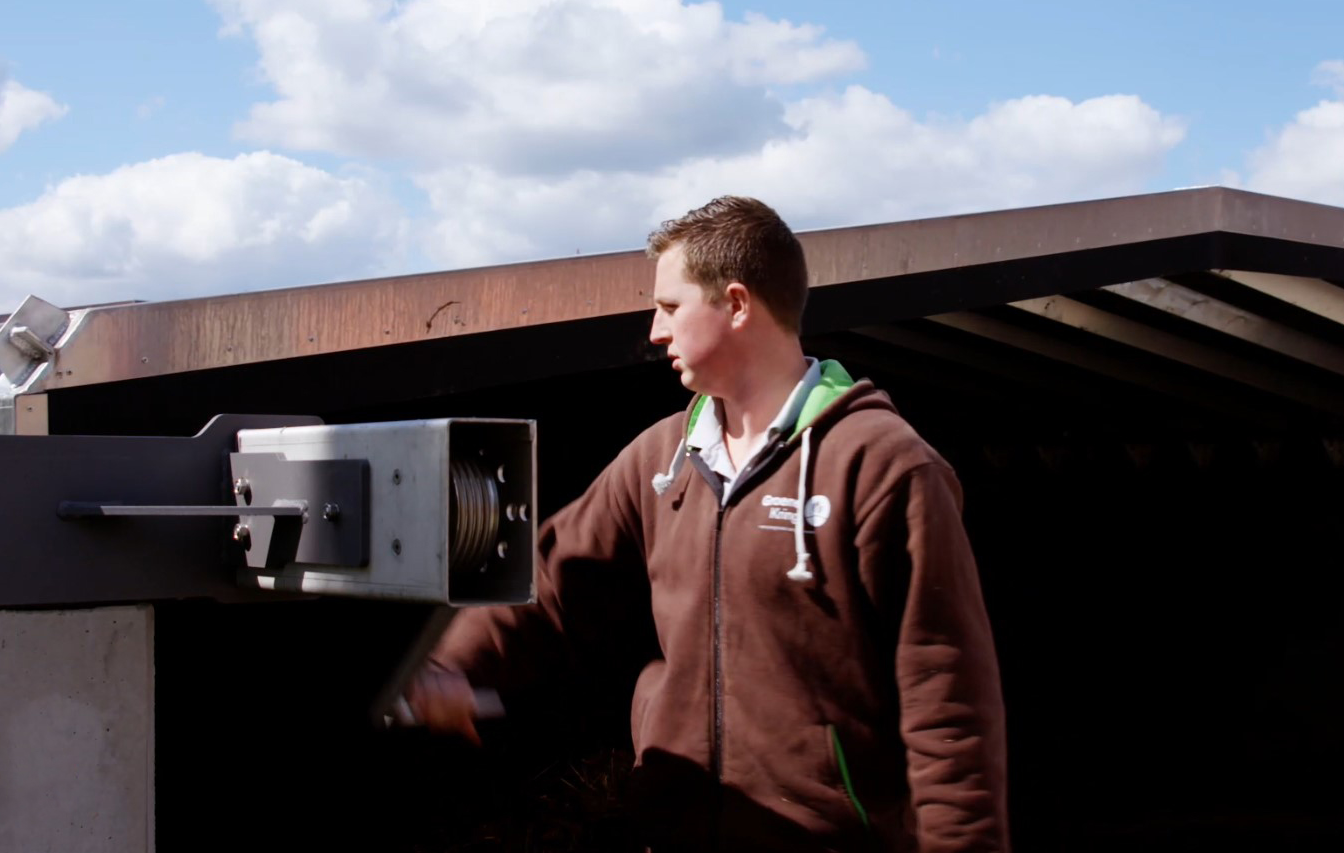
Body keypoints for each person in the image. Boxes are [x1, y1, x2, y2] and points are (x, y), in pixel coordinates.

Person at [406, 196, 1008, 852]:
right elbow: (553, 574)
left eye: (669, 307)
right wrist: (452, 666)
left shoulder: (882, 465)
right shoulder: (661, 457)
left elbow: (948, 699)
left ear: (738, 303)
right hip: (669, 831)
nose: (655, 330)